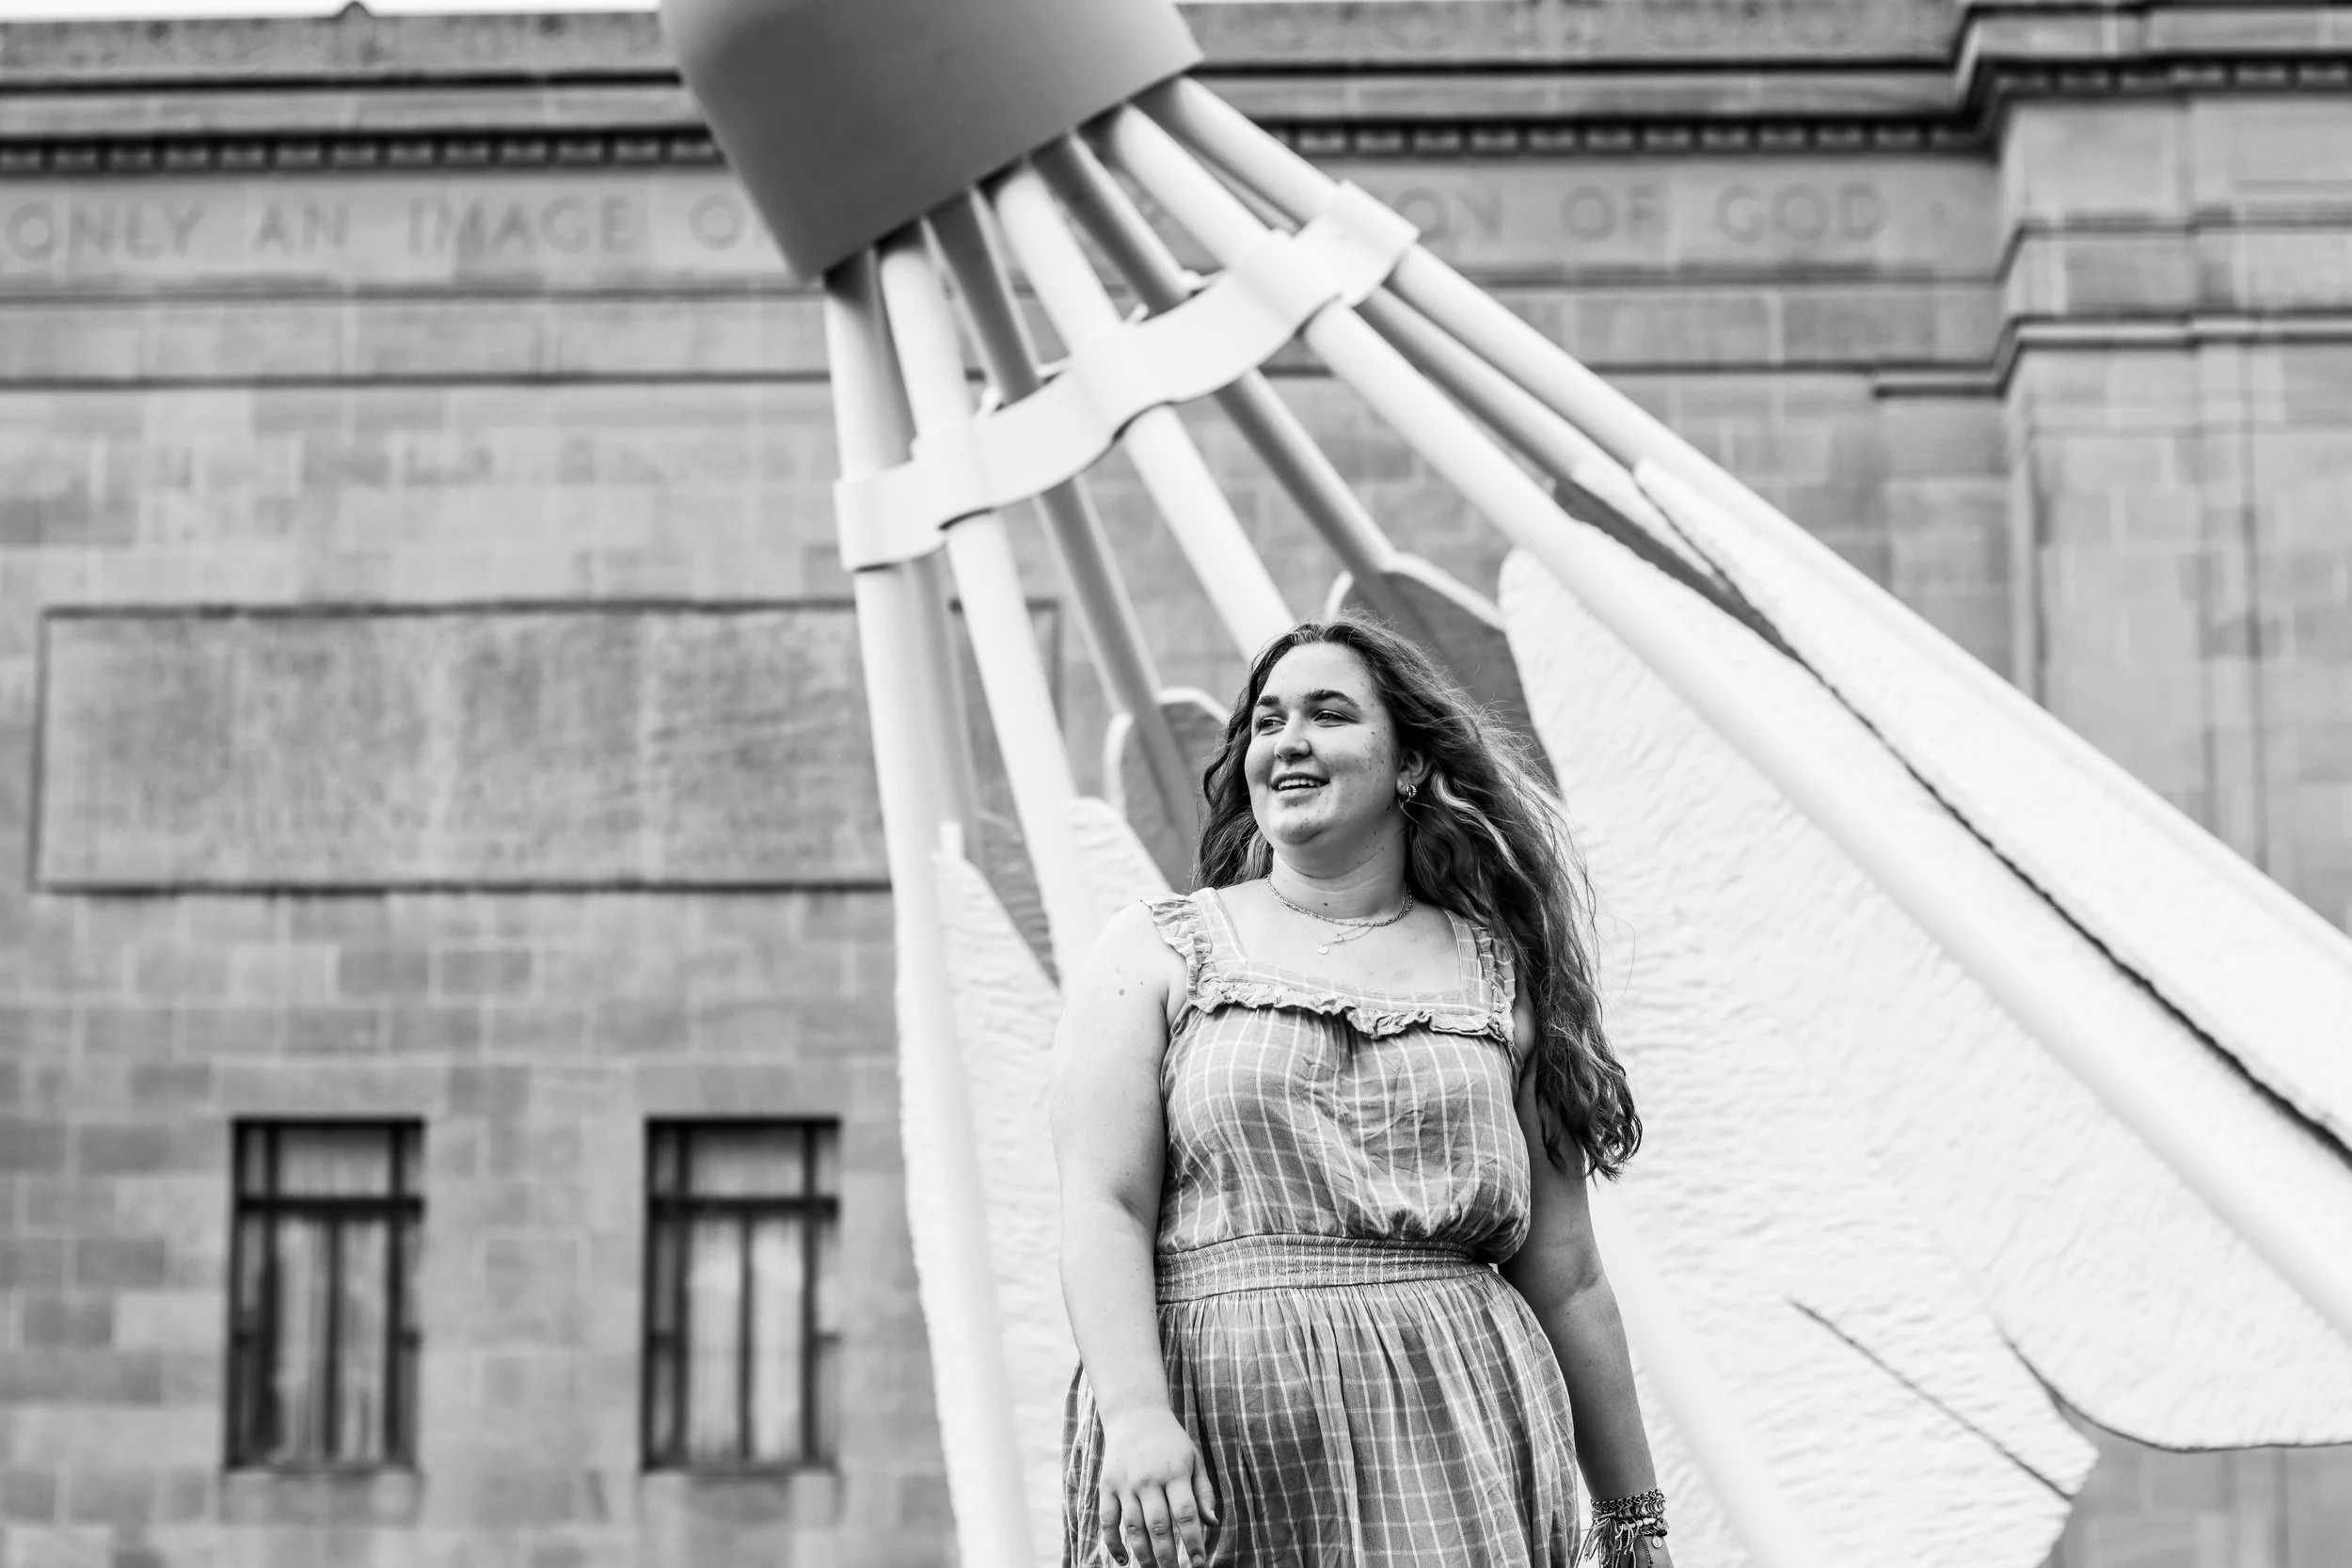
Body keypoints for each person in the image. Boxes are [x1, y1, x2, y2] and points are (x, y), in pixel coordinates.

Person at [1050, 618, 1676, 1568]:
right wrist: (1135, 1413)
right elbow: (1105, 1204)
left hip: (1456, 1435)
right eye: (1267, 721)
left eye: (1328, 714)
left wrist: (1633, 1523)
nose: (1288, 741)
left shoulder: (1500, 975)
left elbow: (1568, 1271)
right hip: (1211, 1447)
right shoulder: (1156, 950)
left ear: (1410, 764)